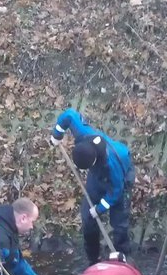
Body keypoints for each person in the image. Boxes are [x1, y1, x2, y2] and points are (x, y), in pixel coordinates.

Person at [50, 108, 135, 264]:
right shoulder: (84, 134)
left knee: (119, 221)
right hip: (98, 176)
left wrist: (100, 208)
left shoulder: (112, 166)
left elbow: (115, 191)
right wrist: (57, 133)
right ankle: (93, 259)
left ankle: (123, 259)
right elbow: (69, 115)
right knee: (88, 217)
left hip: (121, 176)